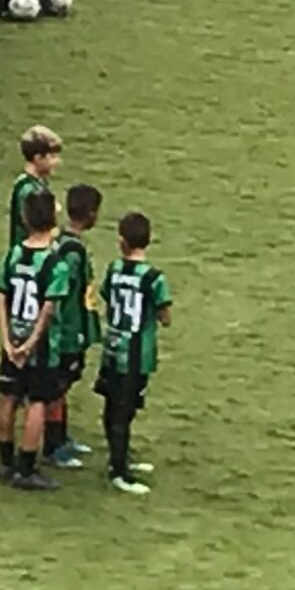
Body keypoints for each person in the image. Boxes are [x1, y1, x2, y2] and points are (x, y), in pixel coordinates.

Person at [98, 210, 172, 494]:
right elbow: (165, 316)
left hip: (113, 347)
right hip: (137, 354)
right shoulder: (154, 278)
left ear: (122, 242)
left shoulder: (114, 270)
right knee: (124, 411)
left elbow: (107, 295)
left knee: (112, 406)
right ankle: (120, 471)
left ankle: (118, 456)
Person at [0, 187, 62, 490]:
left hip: (13, 336)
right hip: (38, 345)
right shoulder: (54, 262)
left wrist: (8, 339)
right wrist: (31, 344)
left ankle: (5, 462)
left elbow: (1, 296)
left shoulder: (14, 253)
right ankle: (26, 467)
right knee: (37, 401)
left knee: (9, 396)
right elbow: (47, 310)